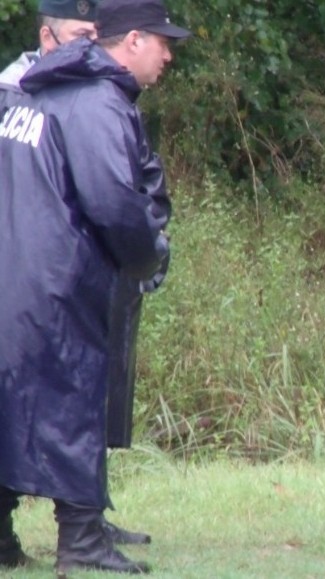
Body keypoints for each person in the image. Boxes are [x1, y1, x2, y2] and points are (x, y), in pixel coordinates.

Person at [0, 0, 189, 573]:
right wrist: (146, 255)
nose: (169, 53)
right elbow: (113, 202)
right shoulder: (98, 100)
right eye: (162, 41)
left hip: (17, 272)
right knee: (73, 400)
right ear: (132, 39)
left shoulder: (30, 90)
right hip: (62, 278)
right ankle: (81, 542)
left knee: (13, 404)